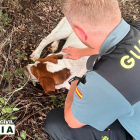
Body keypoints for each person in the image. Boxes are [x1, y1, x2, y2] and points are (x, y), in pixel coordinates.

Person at [44, 0, 140, 140]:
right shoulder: (136, 28)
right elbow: (115, 40)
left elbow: (72, 120)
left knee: (55, 123)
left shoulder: (105, 81)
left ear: (79, 33)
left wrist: (75, 83)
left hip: (133, 130)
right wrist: (83, 52)